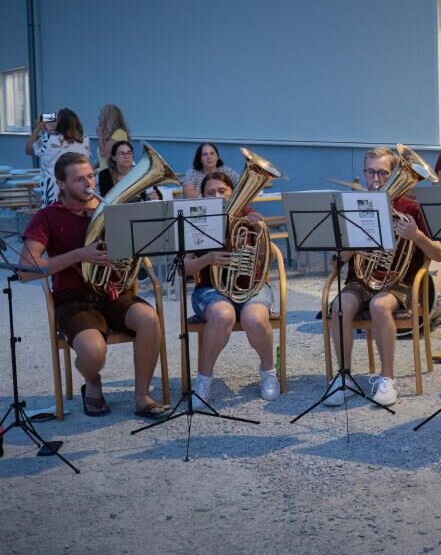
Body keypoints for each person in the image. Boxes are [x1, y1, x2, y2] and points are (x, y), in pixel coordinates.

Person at [19, 152, 168, 418]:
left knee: (149, 319)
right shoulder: (47, 217)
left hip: (115, 293)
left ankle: (142, 396)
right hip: (74, 300)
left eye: (90, 176)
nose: (89, 183)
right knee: (93, 352)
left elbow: (141, 247)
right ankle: (92, 380)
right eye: (79, 179)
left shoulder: (112, 209)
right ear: (61, 183)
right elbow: (25, 270)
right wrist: (80, 254)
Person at [325, 147, 441, 407]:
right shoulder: (354, 207)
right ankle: (344, 378)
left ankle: (388, 378)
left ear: (393, 173)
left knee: (379, 306)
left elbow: (438, 254)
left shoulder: (411, 208)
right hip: (360, 281)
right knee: (340, 307)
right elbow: (335, 261)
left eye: (382, 172)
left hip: (398, 283)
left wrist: (417, 236)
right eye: (370, 172)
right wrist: (353, 247)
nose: (376, 179)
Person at [182, 172, 280, 404]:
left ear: (233, 193)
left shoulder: (249, 217)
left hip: (252, 287)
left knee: (255, 319)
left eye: (222, 191)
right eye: (210, 192)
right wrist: (207, 259)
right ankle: (204, 379)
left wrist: (261, 233)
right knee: (222, 315)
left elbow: (268, 259)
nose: (217, 196)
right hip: (210, 289)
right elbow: (183, 268)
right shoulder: (198, 221)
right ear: (203, 196)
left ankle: (269, 373)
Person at [27, 108, 91, 206]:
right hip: (76, 189)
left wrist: (38, 128)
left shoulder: (48, 139)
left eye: (56, 120)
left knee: (53, 214)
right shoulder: (85, 140)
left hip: (53, 190)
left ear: (61, 123)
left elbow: (29, 150)